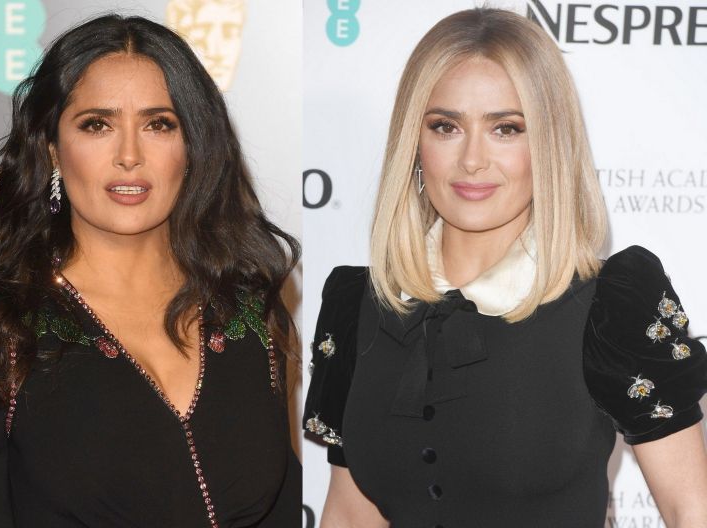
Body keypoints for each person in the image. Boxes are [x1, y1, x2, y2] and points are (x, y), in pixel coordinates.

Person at [303, 8, 707, 527]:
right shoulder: (357, 304)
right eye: (446, 126)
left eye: (506, 128)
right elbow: (350, 515)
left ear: (549, 145)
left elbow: (691, 510)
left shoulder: (611, 306)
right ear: (414, 143)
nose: (473, 159)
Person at [0, 14, 300, 527]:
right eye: (97, 124)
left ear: (193, 147)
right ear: (52, 150)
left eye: (159, 124)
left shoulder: (250, 315)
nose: (129, 156)